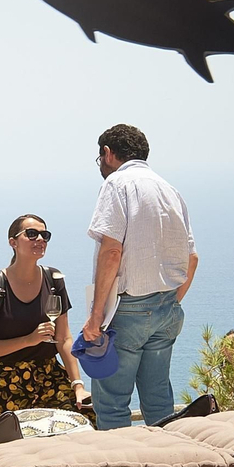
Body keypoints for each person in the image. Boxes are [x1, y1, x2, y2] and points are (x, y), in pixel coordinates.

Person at [80, 125, 199, 428]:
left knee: (112, 404)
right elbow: (192, 258)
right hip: (167, 307)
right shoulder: (170, 190)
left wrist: (95, 317)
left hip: (128, 310)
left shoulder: (117, 184)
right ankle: (168, 457)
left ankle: (123, 461)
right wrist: (168, 301)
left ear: (108, 153)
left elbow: (111, 252)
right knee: (159, 401)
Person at [0, 215, 93, 420]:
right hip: (5, 382)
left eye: (44, 235)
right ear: (13, 242)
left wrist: (78, 385)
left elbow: (64, 338)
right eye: (31, 234)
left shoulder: (54, 280)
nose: (40, 239)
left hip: (49, 376)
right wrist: (28, 340)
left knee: (84, 419)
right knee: (18, 437)